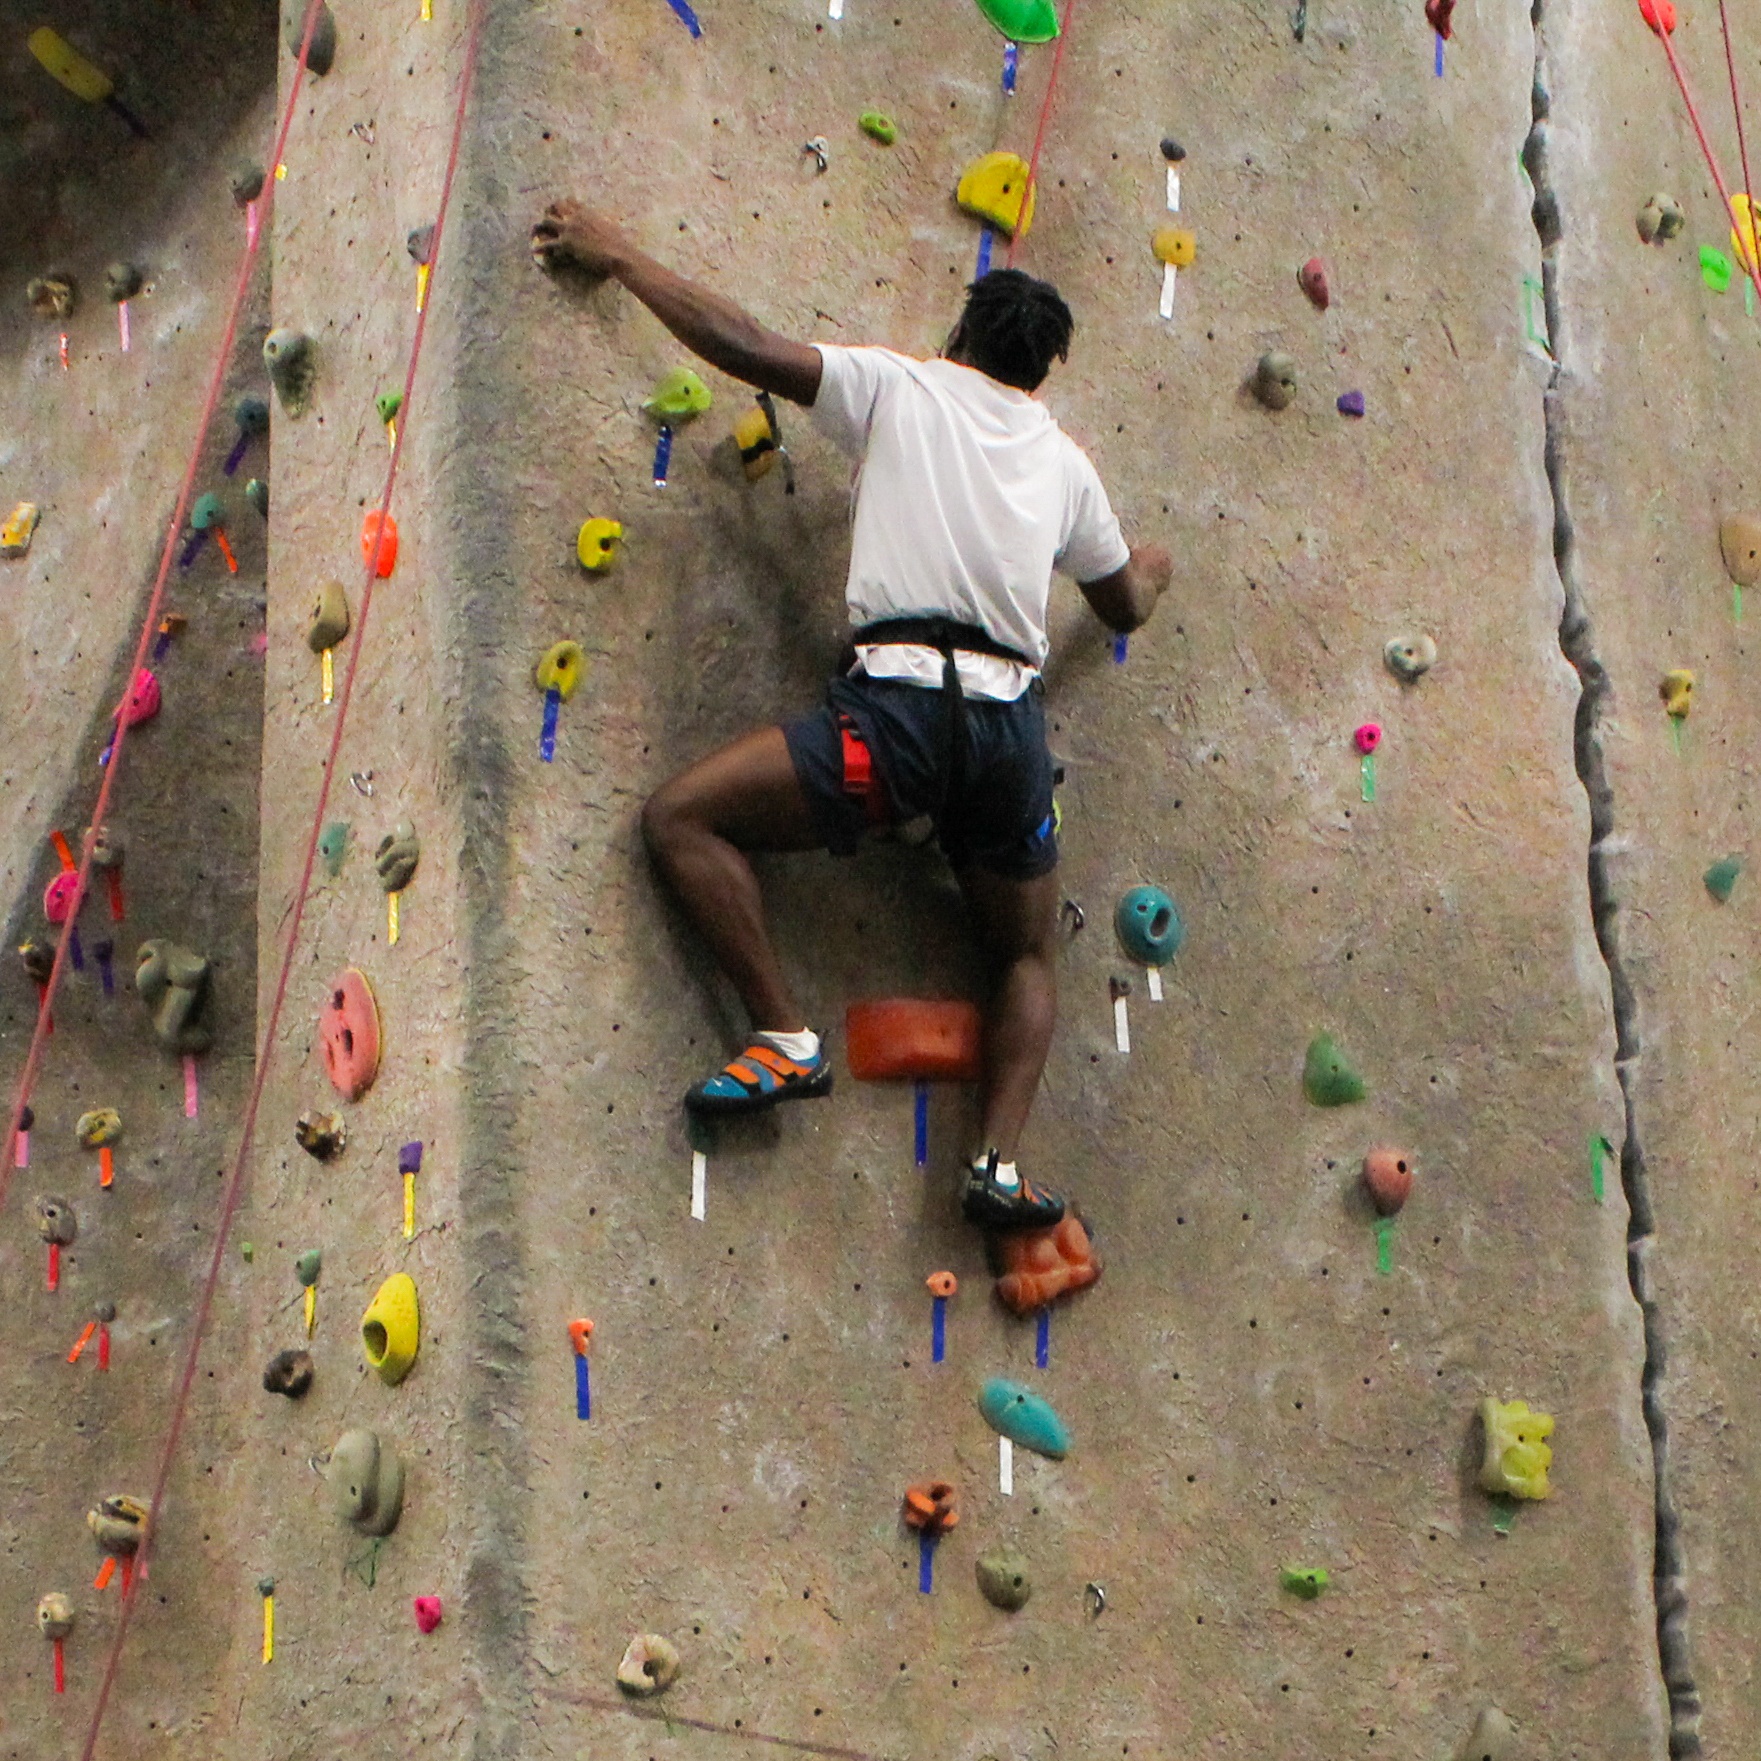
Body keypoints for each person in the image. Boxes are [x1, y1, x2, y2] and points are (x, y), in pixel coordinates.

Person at [532, 200, 1171, 1231]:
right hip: (1007, 744)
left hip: (897, 731)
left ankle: (782, 1037)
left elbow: (742, 345)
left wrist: (622, 258)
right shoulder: (1065, 467)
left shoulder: (900, 385)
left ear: (959, 338)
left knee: (682, 820)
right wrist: (1156, 567)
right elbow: (1125, 604)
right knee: (1023, 955)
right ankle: (995, 1166)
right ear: (1042, 373)